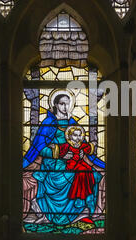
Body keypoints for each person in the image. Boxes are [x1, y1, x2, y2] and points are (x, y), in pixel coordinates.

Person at [22, 90, 104, 226]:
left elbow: (80, 142)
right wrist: (59, 154)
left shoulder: (72, 122)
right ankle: (47, 213)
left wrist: (84, 151)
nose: (65, 107)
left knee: (89, 172)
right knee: (65, 175)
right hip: (53, 163)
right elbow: (40, 147)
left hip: (73, 160)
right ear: (55, 105)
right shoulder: (48, 123)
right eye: (62, 104)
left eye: (67, 104)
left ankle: (80, 211)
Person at [54, 125, 95, 201]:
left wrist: (84, 152)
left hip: (80, 163)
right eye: (75, 135)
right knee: (82, 171)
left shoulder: (82, 145)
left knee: (88, 169)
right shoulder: (67, 146)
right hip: (72, 165)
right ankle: (79, 195)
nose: (78, 137)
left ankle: (86, 193)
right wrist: (64, 156)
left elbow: (89, 148)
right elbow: (58, 150)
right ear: (69, 136)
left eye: (79, 135)